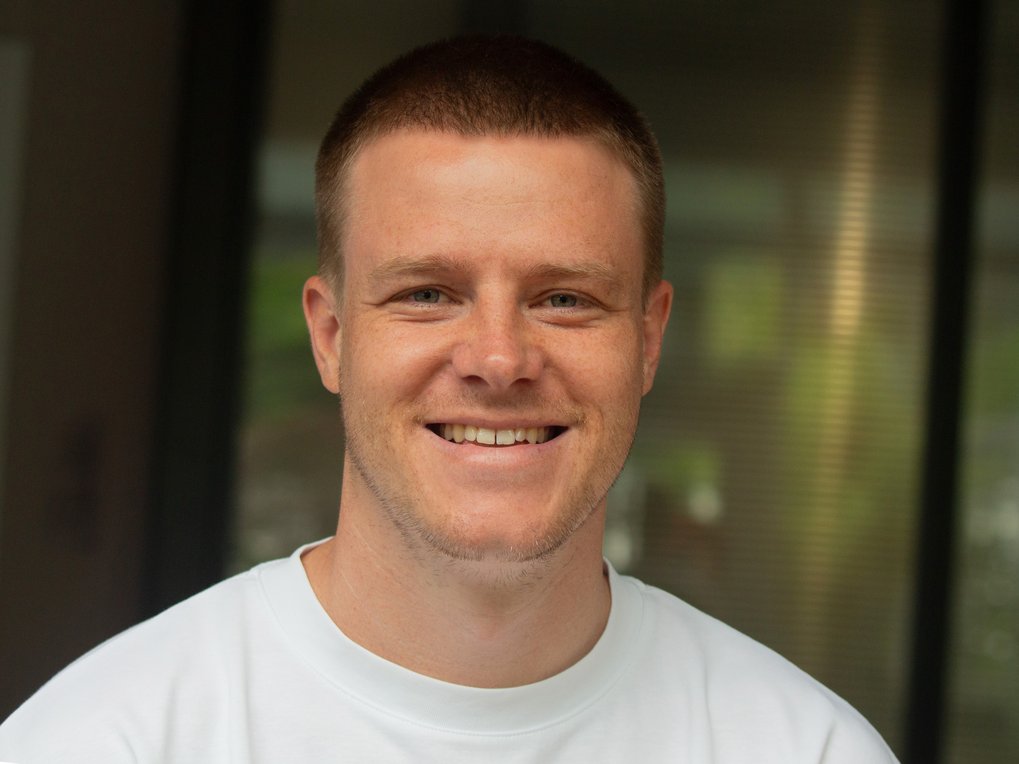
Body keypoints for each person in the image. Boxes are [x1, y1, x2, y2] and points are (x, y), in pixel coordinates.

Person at [0, 35, 898, 762]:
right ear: (331, 334)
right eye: (427, 293)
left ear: (650, 338)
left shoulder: (803, 747)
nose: (499, 359)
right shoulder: (109, 739)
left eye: (564, 298)